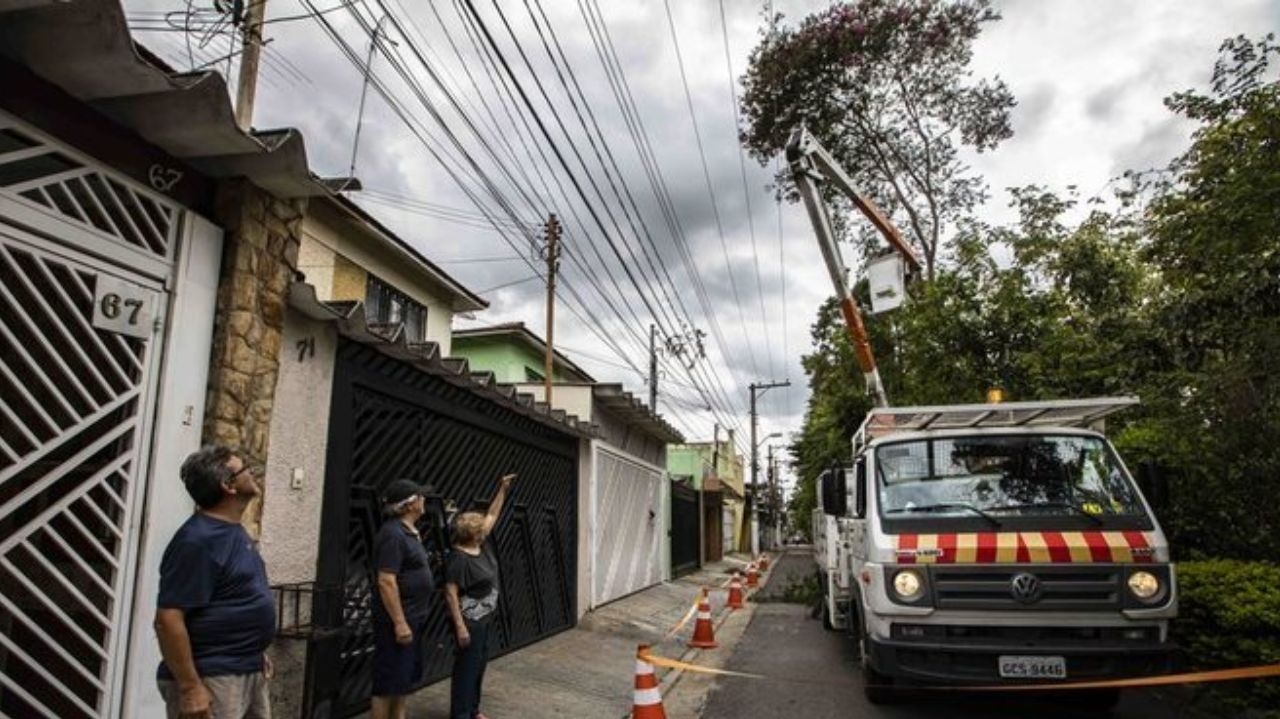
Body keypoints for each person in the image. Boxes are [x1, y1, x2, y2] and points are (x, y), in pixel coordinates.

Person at [154, 445, 276, 719]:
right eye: (244, 469)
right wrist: (189, 687)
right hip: (213, 677)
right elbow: (168, 619)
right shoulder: (197, 541)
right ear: (228, 485)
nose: (252, 472)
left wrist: (253, 653)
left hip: (244, 668)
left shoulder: (232, 531)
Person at [445, 473, 515, 719]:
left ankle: (473, 710)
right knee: (466, 668)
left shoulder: (480, 545)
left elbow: (493, 515)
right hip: (469, 622)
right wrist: (460, 627)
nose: (486, 527)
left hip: (484, 619)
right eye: (481, 527)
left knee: (479, 666)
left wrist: (502, 489)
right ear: (474, 533)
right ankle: (461, 714)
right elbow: (451, 594)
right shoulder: (459, 558)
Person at [371, 479, 436, 719]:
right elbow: (386, 581)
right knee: (387, 684)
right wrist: (399, 622)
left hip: (413, 617)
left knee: (401, 681)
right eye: (421, 497)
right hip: (398, 622)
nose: (424, 501)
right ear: (410, 504)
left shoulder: (409, 533)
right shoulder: (393, 535)